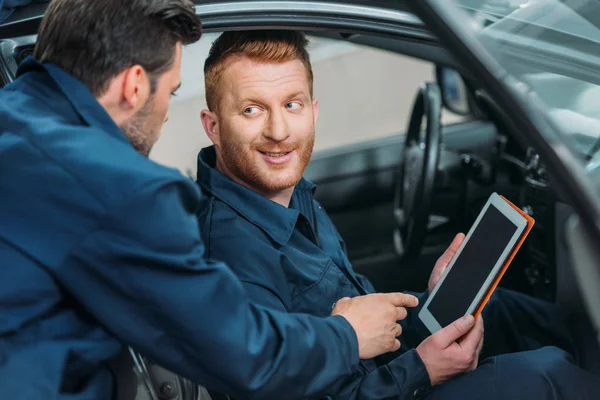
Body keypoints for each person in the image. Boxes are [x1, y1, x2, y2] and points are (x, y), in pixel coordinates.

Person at [0, 2, 417, 399]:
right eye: (172, 91)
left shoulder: (13, 118)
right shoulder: (117, 190)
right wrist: (347, 335)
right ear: (134, 86)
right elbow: (245, 356)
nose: (164, 113)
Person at [196, 29, 600, 399]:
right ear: (213, 126)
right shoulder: (232, 258)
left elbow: (360, 322)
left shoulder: (285, 191)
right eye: (252, 110)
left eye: (292, 104)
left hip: (378, 371)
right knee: (542, 377)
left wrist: (433, 308)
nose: (280, 130)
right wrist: (420, 370)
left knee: (498, 309)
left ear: (313, 110)